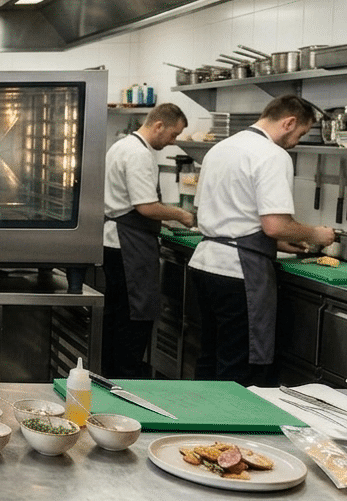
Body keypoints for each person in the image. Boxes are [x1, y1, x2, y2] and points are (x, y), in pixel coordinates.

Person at [190, 94, 336, 385]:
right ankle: (231, 417)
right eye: (300, 134)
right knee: (239, 364)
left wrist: (276, 243)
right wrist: (316, 234)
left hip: (205, 264)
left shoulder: (220, 148)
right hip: (237, 272)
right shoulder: (272, 155)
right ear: (289, 122)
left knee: (211, 355)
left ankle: (199, 414)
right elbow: (275, 225)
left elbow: (225, 215)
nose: (296, 142)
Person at [101, 103, 194, 378]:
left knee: (116, 318)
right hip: (128, 245)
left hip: (114, 241)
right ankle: (124, 379)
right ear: (158, 125)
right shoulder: (139, 153)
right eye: (173, 134)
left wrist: (162, 217)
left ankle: (109, 375)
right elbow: (146, 207)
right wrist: (181, 215)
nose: (173, 141)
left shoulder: (121, 146)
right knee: (132, 319)